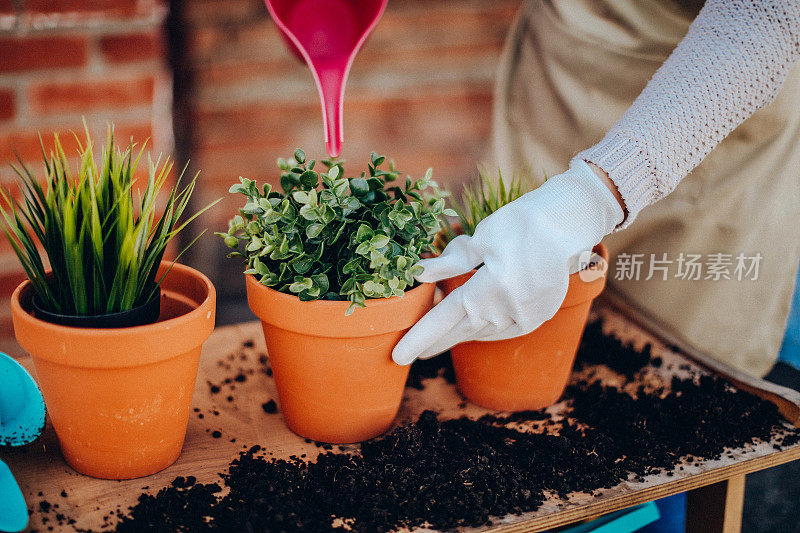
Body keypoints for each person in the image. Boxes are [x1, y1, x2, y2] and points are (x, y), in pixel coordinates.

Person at [392, 0, 800, 381]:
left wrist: (593, 198)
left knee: (664, 369)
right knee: (509, 280)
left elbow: (766, 18)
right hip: (568, 65)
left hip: (703, 103)